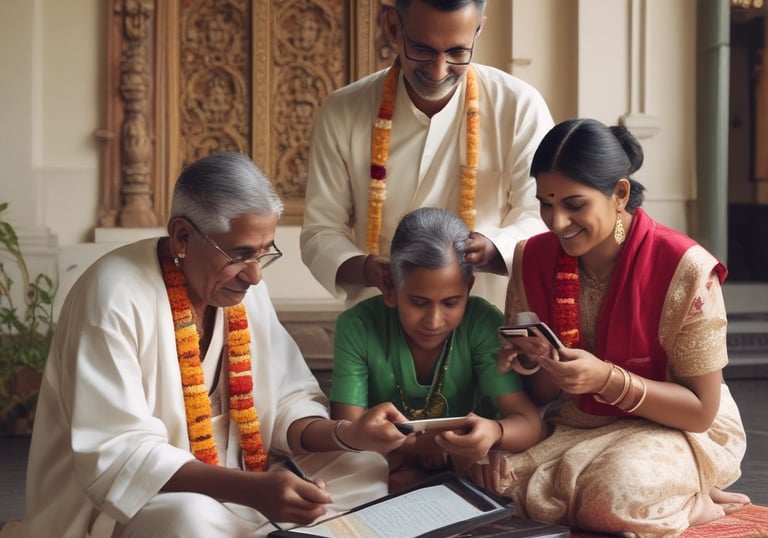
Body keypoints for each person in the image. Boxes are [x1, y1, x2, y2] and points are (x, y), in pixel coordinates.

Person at [2, 152, 412, 538]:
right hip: (131, 504)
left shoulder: (244, 291)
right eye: (240, 254)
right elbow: (120, 456)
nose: (254, 276)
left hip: (246, 478)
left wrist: (348, 433)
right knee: (190, 520)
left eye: (264, 252)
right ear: (182, 236)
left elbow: (286, 401)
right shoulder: (113, 295)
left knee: (362, 467)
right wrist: (255, 490)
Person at [468, 119, 751, 536]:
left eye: (574, 204)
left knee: (613, 492)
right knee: (491, 482)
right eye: (546, 203)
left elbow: (700, 411)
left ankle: (695, 502)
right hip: (577, 423)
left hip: (679, 427)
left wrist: (606, 378)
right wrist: (538, 362)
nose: (557, 221)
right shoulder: (532, 258)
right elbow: (546, 398)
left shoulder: (685, 269)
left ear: (619, 194)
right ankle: (673, 494)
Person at [300, 0, 553, 310]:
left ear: (478, 30)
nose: (438, 70)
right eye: (423, 49)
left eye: (457, 52)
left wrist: (491, 248)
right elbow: (321, 230)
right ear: (393, 28)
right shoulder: (343, 111)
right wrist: (369, 268)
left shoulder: (518, 106)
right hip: (382, 325)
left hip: (487, 329)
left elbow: (540, 217)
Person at [329, 207, 543, 492]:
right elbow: (348, 432)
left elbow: (528, 423)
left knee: (500, 477)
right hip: (388, 464)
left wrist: (494, 432)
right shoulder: (358, 327)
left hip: (467, 464)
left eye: (451, 302)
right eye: (418, 302)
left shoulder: (480, 322)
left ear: (469, 287)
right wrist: (425, 447)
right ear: (391, 287)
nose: (433, 321)